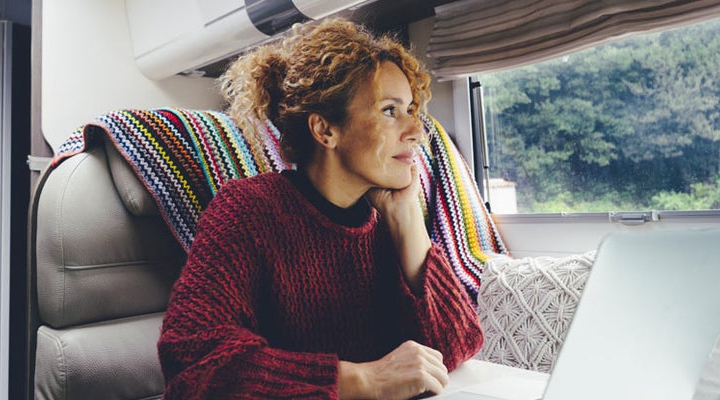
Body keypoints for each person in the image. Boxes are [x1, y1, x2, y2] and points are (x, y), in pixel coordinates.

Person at [157, 18, 483, 399]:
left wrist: (406, 218)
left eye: (412, 109)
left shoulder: (388, 217)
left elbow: (458, 345)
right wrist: (364, 380)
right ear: (325, 130)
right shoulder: (246, 211)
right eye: (390, 110)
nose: (417, 130)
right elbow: (193, 364)